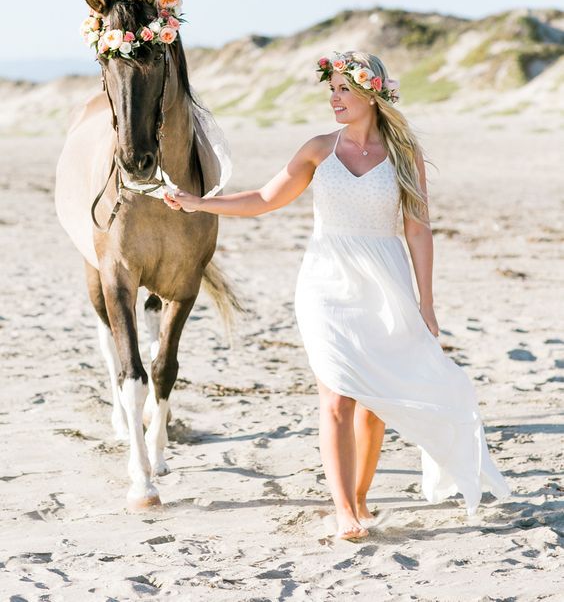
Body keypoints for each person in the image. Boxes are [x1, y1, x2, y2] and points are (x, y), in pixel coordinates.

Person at [163, 50, 511, 540]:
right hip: (325, 283)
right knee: (337, 396)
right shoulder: (317, 150)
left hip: (385, 285)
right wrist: (200, 203)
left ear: (373, 92)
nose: (335, 99)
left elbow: (418, 231)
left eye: (344, 89)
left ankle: (362, 499)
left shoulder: (403, 154)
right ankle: (344, 508)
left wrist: (426, 303)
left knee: (373, 401)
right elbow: (264, 199)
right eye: (331, 90)